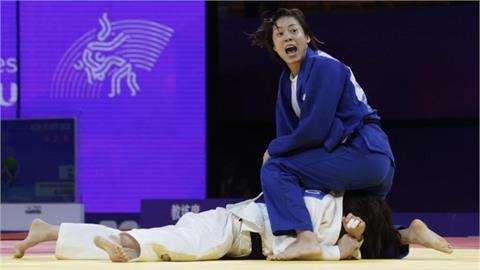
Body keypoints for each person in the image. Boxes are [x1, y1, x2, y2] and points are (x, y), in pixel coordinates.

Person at [249, 8, 399, 259]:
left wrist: (273, 150)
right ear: (273, 47)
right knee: (350, 220)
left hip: (365, 152)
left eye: (294, 31)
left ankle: (305, 239)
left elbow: (314, 132)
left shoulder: (324, 67)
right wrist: (279, 154)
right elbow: (290, 136)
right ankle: (405, 235)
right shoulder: (287, 83)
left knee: (275, 168)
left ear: (307, 37)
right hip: (360, 162)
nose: (287, 38)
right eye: (280, 34)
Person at [13, 191, 452, 262]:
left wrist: (345, 245)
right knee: (174, 244)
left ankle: (51, 230)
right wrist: (343, 247)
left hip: (239, 235)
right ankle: (125, 244)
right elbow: (325, 251)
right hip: (232, 227)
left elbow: (336, 249)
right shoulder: (325, 215)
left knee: (167, 248)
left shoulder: (330, 216)